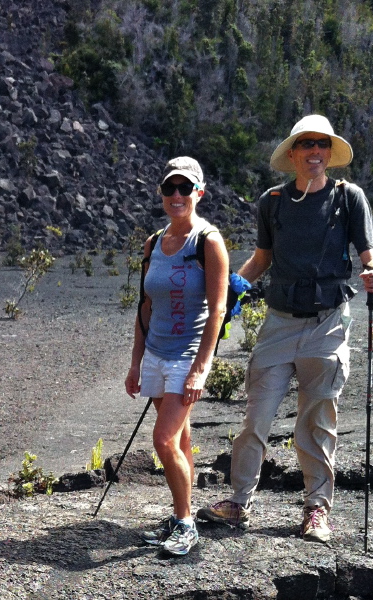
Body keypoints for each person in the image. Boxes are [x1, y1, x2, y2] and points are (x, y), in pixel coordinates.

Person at [197, 115, 373, 543]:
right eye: (307, 145)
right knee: (255, 417)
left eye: (322, 144)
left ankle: (316, 511)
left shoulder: (348, 199)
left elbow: (370, 254)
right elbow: (262, 257)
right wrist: (234, 291)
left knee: (317, 420)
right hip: (279, 322)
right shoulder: (273, 201)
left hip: (328, 324)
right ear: (294, 153)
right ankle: (239, 502)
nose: (315, 152)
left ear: (329, 153)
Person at [125, 156, 229, 556]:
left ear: (198, 193)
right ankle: (179, 515)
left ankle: (186, 523)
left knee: (163, 439)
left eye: (185, 188)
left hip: (186, 356)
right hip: (156, 353)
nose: (176, 195)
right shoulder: (154, 243)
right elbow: (144, 307)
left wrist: (201, 370)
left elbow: (217, 311)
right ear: (161, 193)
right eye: (170, 188)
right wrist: (136, 363)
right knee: (181, 439)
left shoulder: (208, 242)